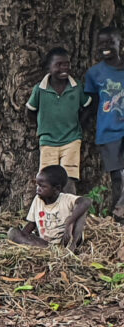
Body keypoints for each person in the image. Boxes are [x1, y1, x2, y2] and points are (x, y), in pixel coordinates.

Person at [27, 47, 91, 194]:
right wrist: (42, 125)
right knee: (46, 180)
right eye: (59, 64)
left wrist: (78, 125)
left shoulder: (76, 87)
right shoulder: (40, 89)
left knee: (69, 178)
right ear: (48, 68)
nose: (64, 68)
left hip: (72, 139)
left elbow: (88, 106)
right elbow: (30, 111)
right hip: (48, 140)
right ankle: (47, 212)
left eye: (67, 64)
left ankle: (69, 211)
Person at [84, 26, 124, 221]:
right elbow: (91, 104)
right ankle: (118, 218)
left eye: (110, 43)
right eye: (101, 44)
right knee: (117, 177)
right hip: (108, 132)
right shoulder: (94, 74)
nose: (105, 47)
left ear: (120, 43)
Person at [8, 165, 92, 251]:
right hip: (46, 245)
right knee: (13, 233)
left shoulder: (65, 199)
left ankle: (72, 248)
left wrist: (69, 223)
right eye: (37, 185)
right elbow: (32, 224)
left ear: (56, 189)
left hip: (65, 244)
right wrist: (23, 236)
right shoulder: (38, 200)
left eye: (42, 186)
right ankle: (48, 250)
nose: (38, 189)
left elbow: (86, 201)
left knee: (81, 212)